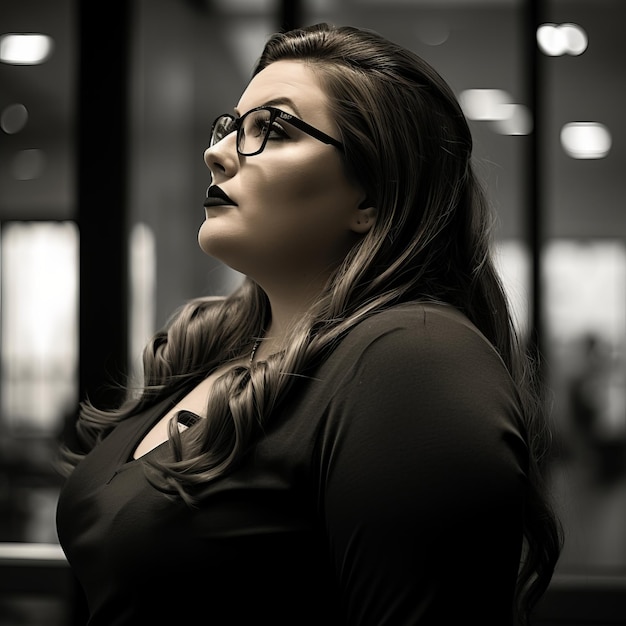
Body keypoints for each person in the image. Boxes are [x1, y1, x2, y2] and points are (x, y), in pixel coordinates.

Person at [56, 22, 562, 626]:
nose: (216, 153)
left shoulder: (415, 360)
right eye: (230, 127)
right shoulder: (216, 350)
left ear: (372, 194)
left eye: (272, 128)